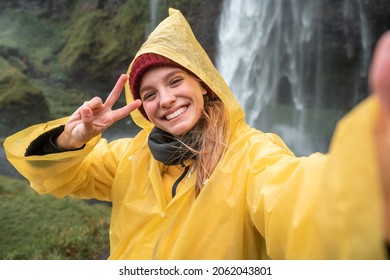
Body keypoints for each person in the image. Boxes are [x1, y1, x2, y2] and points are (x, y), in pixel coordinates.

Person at [3, 8, 390, 260]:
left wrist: (368, 177)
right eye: (149, 94)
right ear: (142, 109)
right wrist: (73, 138)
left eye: (175, 81)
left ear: (204, 84)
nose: (166, 100)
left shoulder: (251, 156)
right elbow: (62, 176)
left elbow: (296, 196)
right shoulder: (131, 157)